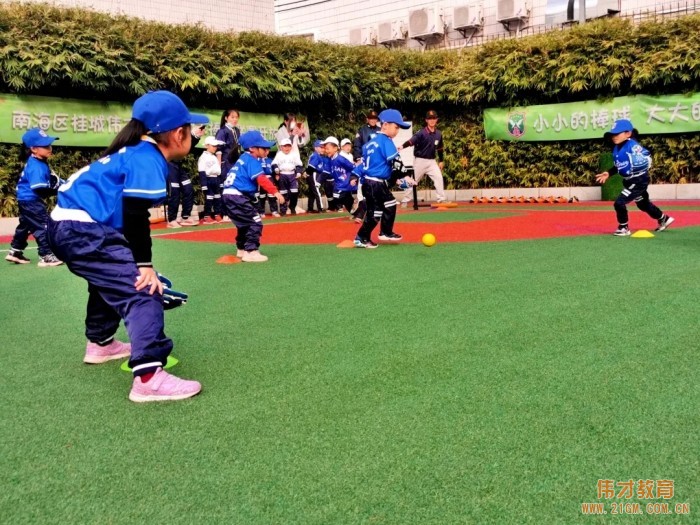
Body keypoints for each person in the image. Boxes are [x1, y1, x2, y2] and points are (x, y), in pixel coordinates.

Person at [46, 90, 207, 403]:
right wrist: (145, 268)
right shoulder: (148, 158)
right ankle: (148, 378)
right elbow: (135, 215)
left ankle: (101, 343)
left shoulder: (132, 150)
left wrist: (136, 263)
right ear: (177, 134)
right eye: (191, 131)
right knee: (143, 289)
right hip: (82, 229)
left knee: (107, 279)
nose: (194, 136)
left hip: (66, 226)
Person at [595, 119, 674, 236]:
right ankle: (663, 219)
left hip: (638, 180)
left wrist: (639, 169)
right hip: (630, 181)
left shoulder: (632, 146)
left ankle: (624, 227)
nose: (614, 136)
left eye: (617, 133)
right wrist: (609, 173)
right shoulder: (617, 148)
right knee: (643, 204)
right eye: (613, 134)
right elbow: (619, 166)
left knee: (619, 203)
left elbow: (647, 158)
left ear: (628, 133)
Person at [222, 130, 284, 262]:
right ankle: (251, 251)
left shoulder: (242, 159)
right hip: (237, 196)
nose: (267, 151)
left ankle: (242, 249)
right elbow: (261, 179)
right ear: (252, 148)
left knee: (243, 223)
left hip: (228, 195)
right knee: (255, 221)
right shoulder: (252, 160)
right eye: (264, 148)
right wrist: (275, 192)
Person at [5, 128, 64, 267]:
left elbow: (50, 181)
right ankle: (46, 255)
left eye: (49, 144)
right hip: (31, 201)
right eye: (45, 146)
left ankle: (15, 251)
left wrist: (62, 184)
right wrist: (57, 189)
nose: (49, 148)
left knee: (26, 224)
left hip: (25, 200)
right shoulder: (36, 166)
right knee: (43, 225)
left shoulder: (38, 162)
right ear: (34, 149)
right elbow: (40, 188)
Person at [354, 109, 411, 248]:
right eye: (396, 127)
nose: (397, 131)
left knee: (389, 204)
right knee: (376, 212)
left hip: (370, 183)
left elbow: (370, 164)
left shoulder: (370, 144)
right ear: (385, 125)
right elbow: (396, 161)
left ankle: (383, 232)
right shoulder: (386, 141)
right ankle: (362, 237)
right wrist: (405, 176)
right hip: (375, 184)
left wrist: (355, 175)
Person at [399, 109, 447, 207]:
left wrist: (441, 160)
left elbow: (440, 148)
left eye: (434, 118)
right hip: (420, 160)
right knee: (413, 181)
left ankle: (441, 199)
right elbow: (411, 141)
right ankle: (405, 200)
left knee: (438, 178)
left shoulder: (438, 133)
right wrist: (402, 146)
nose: (432, 120)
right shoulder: (421, 133)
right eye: (430, 119)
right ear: (426, 120)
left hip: (432, 161)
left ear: (437, 119)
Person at [165, 125, 204, 228]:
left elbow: (186, 148)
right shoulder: (168, 132)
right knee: (174, 192)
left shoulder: (181, 134)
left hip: (179, 165)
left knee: (188, 189)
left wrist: (195, 137)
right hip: (169, 165)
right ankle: (172, 220)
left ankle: (185, 217)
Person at [215, 109, 242, 220]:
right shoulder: (222, 131)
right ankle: (225, 213)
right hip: (226, 163)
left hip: (235, 162)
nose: (235, 119)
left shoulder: (237, 131)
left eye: (236, 117)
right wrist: (219, 166)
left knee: (235, 187)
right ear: (226, 118)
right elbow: (219, 150)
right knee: (226, 187)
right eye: (232, 117)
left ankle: (234, 212)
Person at [325, 136, 359, 216]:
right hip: (339, 183)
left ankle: (357, 204)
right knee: (346, 199)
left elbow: (352, 167)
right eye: (325, 149)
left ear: (335, 148)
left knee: (337, 197)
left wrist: (353, 178)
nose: (326, 151)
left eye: (328, 149)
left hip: (345, 183)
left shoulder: (340, 159)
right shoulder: (331, 159)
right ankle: (356, 212)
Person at [271, 137, 303, 215]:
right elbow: (274, 164)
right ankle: (283, 210)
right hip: (282, 175)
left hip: (292, 175)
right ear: (281, 147)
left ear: (291, 147)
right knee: (283, 193)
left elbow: (299, 164)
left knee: (294, 192)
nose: (287, 148)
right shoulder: (279, 155)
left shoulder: (294, 154)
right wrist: (276, 170)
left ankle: (292, 207)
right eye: (285, 146)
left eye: (288, 146)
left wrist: (298, 172)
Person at [197, 136, 225, 224]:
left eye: (216, 146)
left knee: (217, 197)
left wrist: (220, 182)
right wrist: (204, 184)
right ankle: (207, 216)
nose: (215, 148)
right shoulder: (203, 157)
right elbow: (201, 171)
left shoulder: (214, 157)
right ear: (207, 146)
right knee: (209, 198)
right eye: (213, 146)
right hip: (208, 179)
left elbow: (218, 171)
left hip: (216, 179)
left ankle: (217, 214)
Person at [304, 139, 326, 213]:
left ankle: (310, 208)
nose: (323, 149)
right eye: (321, 147)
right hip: (313, 174)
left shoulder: (318, 155)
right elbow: (311, 167)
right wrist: (307, 173)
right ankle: (320, 208)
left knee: (312, 192)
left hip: (313, 174)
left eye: (323, 147)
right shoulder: (316, 155)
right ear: (315, 148)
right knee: (316, 190)